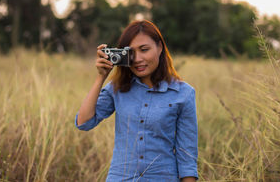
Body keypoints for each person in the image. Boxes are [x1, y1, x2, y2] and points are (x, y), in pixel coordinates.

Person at [75, 20, 198, 182]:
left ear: (159, 48)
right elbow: (84, 122)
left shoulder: (183, 93)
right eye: (131, 52)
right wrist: (101, 76)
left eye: (144, 50)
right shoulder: (117, 88)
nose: (138, 59)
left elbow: (187, 157)